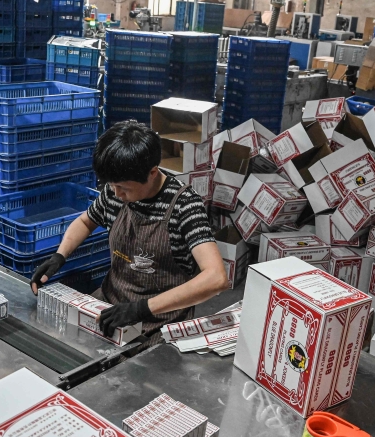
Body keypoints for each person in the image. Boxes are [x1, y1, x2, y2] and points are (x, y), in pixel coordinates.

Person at [30, 121, 228, 337]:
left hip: (159, 320)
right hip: (110, 305)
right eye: (111, 185)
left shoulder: (185, 206)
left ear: (152, 173)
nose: (116, 194)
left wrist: (142, 308)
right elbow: (86, 221)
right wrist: (59, 256)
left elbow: (216, 278)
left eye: (123, 187)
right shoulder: (113, 192)